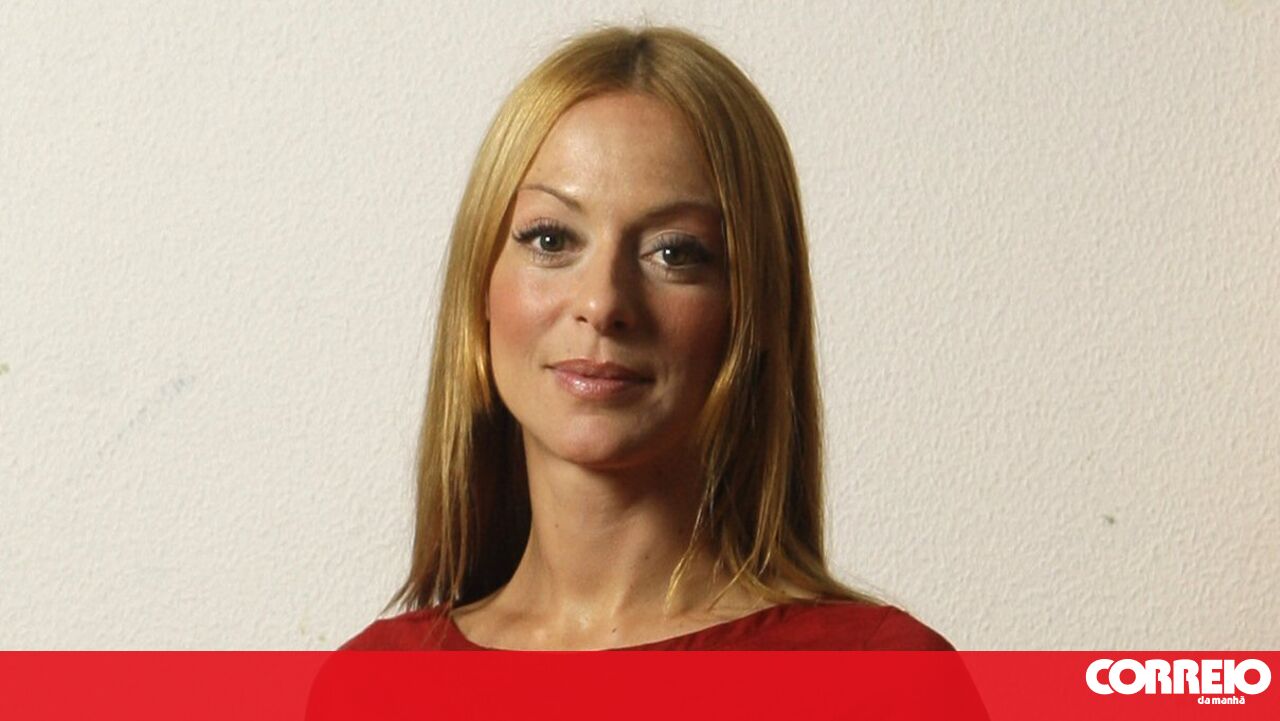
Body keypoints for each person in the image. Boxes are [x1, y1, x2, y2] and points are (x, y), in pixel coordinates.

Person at [341, 24, 953, 651]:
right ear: (480, 287)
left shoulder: (879, 670)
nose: (602, 303)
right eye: (551, 239)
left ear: (759, 308)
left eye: (674, 252)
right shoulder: (373, 678)